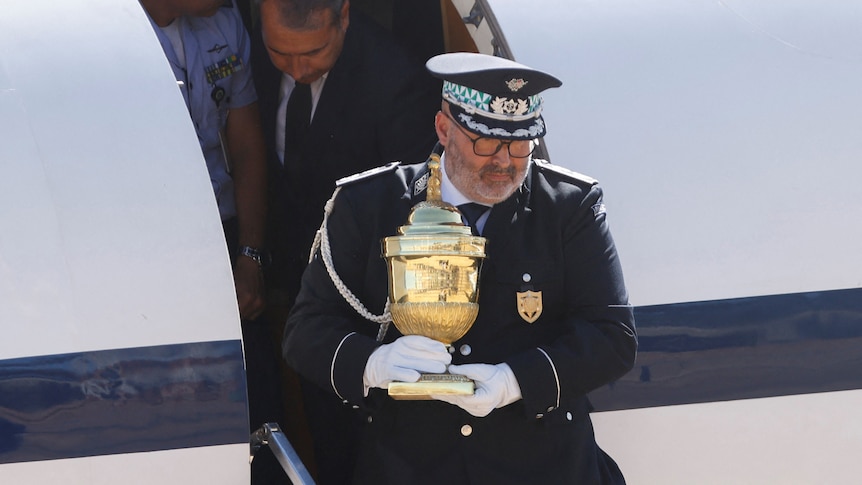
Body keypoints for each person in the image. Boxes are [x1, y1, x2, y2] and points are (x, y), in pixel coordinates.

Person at [283, 52, 638, 484]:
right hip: (412, 467)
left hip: (542, 465)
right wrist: (373, 362)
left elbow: (611, 337)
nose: (505, 162)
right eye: (486, 143)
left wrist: (514, 381)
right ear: (443, 129)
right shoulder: (369, 205)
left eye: (520, 144)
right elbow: (306, 331)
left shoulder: (567, 207)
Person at [250, 0, 441, 482]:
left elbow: (406, 214)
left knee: (348, 446)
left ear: (345, 18)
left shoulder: (395, 80)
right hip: (287, 282)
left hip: (357, 305)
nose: (296, 69)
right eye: (280, 54)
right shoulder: (255, 55)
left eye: (312, 53)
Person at [139, 1, 283, 482]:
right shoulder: (103, 31)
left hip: (223, 232)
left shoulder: (223, 20)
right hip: (144, 245)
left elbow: (244, 142)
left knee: (257, 390)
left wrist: (250, 254)